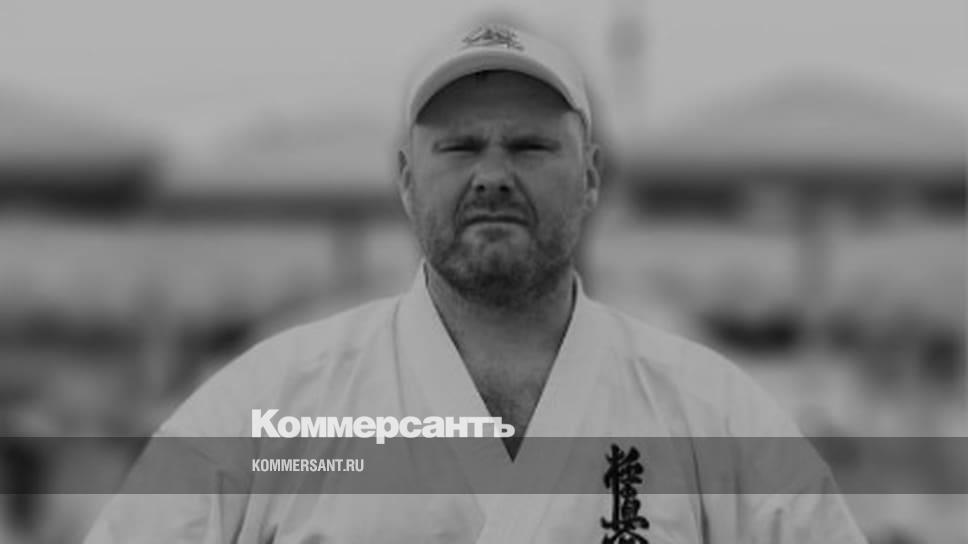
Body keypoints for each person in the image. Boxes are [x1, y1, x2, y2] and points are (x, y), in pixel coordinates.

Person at [84, 22, 867, 543]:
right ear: (405, 179)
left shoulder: (711, 414)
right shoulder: (272, 406)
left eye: (529, 146)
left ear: (592, 176)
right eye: (459, 148)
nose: (492, 175)